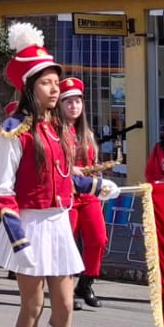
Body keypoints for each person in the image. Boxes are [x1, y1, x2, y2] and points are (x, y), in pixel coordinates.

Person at [0, 23, 120, 327]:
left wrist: (97, 186)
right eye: (46, 82)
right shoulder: (13, 131)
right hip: (29, 224)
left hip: (59, 223)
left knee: (64, 305)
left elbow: (65, 177)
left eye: (56, 82)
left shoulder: (59, 127)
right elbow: (4, 191)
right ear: (30, 87)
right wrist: (18, 241)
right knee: (33, 305)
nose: (55, 89)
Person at [59, 78, 108, 310]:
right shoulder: (54, 131)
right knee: (67, 242)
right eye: (68, 102)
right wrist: (71, 170)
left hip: (88, 195)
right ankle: (65, 290)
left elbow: (93, 163)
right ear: (60, 105)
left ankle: (86, 283)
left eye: (77, 101)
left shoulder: (87, 133)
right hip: (66, 195)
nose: (74, 106)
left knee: (98, 238)